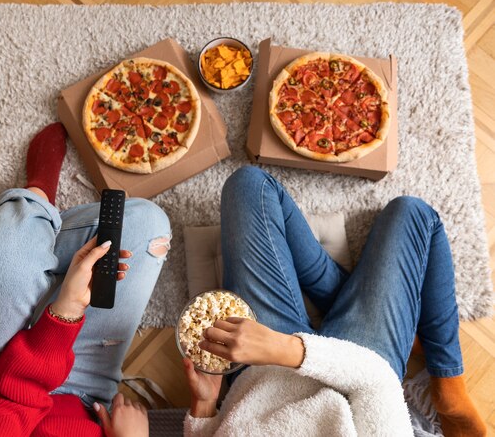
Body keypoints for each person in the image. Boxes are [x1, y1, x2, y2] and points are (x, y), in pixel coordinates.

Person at [183, 166, 487, 437]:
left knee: (249, 185)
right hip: (356, 370)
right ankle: (449, 383)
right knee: (413, 214)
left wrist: (205, 405)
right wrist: (282, 348)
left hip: (257, 373)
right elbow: (378, 383)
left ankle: (350, 300)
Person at [0, 123, 171, 436]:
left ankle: (36, 196)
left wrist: (66, 313)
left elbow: (11, 402)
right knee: (148, 227)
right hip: (83, 398)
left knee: (5, 264)